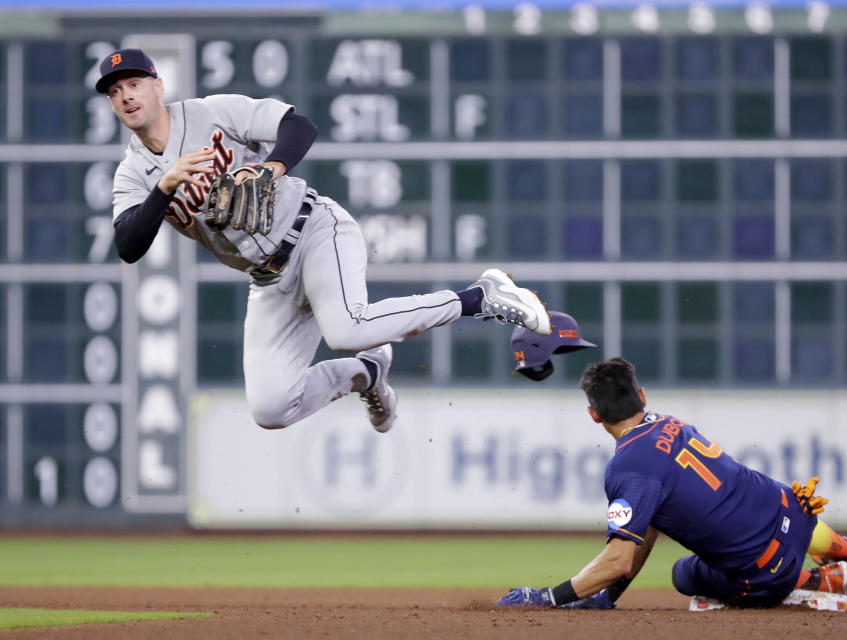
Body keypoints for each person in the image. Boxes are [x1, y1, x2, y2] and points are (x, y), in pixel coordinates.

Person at [98, 48, 551, 433]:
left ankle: (480, 297)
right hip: (268, 279)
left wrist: (269, 168)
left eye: (133, 83)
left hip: (314, 230)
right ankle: (367, 373)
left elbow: (299, 126)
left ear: (158, 84)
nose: (126, 96)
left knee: (346, 329)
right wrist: (164, 188)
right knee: (271, 409)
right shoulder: (133, 174)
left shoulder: (209, 112)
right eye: (115, 92)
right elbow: (128, 245)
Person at [496, 357, 847, 609]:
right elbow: (648, 523)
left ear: (594, 415)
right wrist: (607, 596)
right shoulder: (670, 423)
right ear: (642, 396)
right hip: (795, 511)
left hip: (769, 569)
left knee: (684, 574)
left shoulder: (629, 467)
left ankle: (813, 580)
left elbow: (619, 558)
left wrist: (550, 597)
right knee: (768, 505)